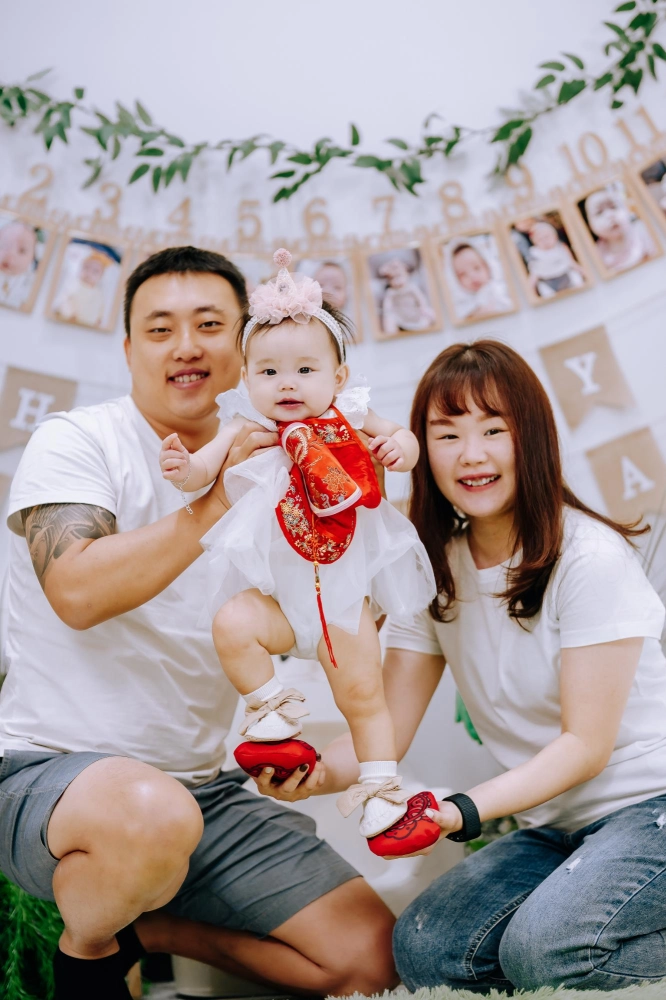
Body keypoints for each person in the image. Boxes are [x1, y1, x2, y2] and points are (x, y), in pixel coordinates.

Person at [0, 246, 397, 1000]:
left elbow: (312, 619)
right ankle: (88, 950)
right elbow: (77, 592)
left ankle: (145, 932)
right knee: (152, 814)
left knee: (373, 964)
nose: (186, 346)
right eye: (161, 329)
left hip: (203, 792)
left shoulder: (285, 461)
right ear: (129, 350)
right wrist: (217, 498)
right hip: (49, 776)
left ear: (247, 346)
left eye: (210, 325)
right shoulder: (78, 441)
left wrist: (308, 744)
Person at [274, 339, 666, 993]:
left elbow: (586, 746)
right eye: (447, 434)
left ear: (530, 440)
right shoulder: (435, 569)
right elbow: (386, 729)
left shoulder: (589, 558)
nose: (471, 454)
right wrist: (313, 773)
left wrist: (455, 811)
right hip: (555, 828)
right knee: (428, 949)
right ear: (421, 448)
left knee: (545, 953)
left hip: (651, 808)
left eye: (493, 430)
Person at [159, 249, 436, 848]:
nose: (287, 383)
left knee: (364, 697)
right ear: (245, 378)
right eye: (268, 372)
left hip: (342, 605)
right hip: (280, 604)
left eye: (306, 369)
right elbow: (202, 471)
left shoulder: (351, 416)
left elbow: (403, 438)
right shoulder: (244, 427)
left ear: (339, 378)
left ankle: (382, 793)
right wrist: (184, 468)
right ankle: (271, 710)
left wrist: (401, 451)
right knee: (232, 624)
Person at [583, 182, 657, 273]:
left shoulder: (641, 232)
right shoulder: (597, 253)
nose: (610, 215)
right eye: (599, 213)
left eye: (613, 207)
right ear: (590, 226)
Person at [53, 243, 116, 327]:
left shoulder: (99, 293)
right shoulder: (74, 283)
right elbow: (65, 299)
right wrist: (70, 313)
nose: (89, 273)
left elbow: (100, 307)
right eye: (86, 267)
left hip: (88, 323)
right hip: (70, 318)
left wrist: (99, 319)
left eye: (95, 271)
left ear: (101, 276)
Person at [449, 240, 513, 319]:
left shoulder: (500, 289)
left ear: (487, 266)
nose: (472, 276)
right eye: (463, 274)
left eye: (476, 268)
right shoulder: (461, 306)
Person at [524, 218, 585, 297]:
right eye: (540, 239)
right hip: (547, 281)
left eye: (547, 237)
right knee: (544, 290)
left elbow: (571, 263)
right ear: (534, 241)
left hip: (565, 275)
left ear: (555, 236)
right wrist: (529, 289)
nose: (544, 241)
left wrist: (584, 272)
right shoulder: (534, 253)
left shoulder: (560, 247)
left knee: (575, 277)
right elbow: (534, 272)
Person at [377, 256, 435, 335]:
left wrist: (423, 306)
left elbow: (420, 298)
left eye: (399, 276)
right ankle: (391, 331)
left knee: (427, 314)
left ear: (407, 274)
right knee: (390, 318)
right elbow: (387, 306)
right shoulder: (391, 292)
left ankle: (426, 326)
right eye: (392, 279)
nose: (397, 281)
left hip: (415, 312)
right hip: (400, 315)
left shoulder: (411, 287)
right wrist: (388, 313)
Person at [0, 217, 39, 309]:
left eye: (22, 251)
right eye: (5, 245)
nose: (10, 255)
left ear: (32, 257)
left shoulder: (30, 282)